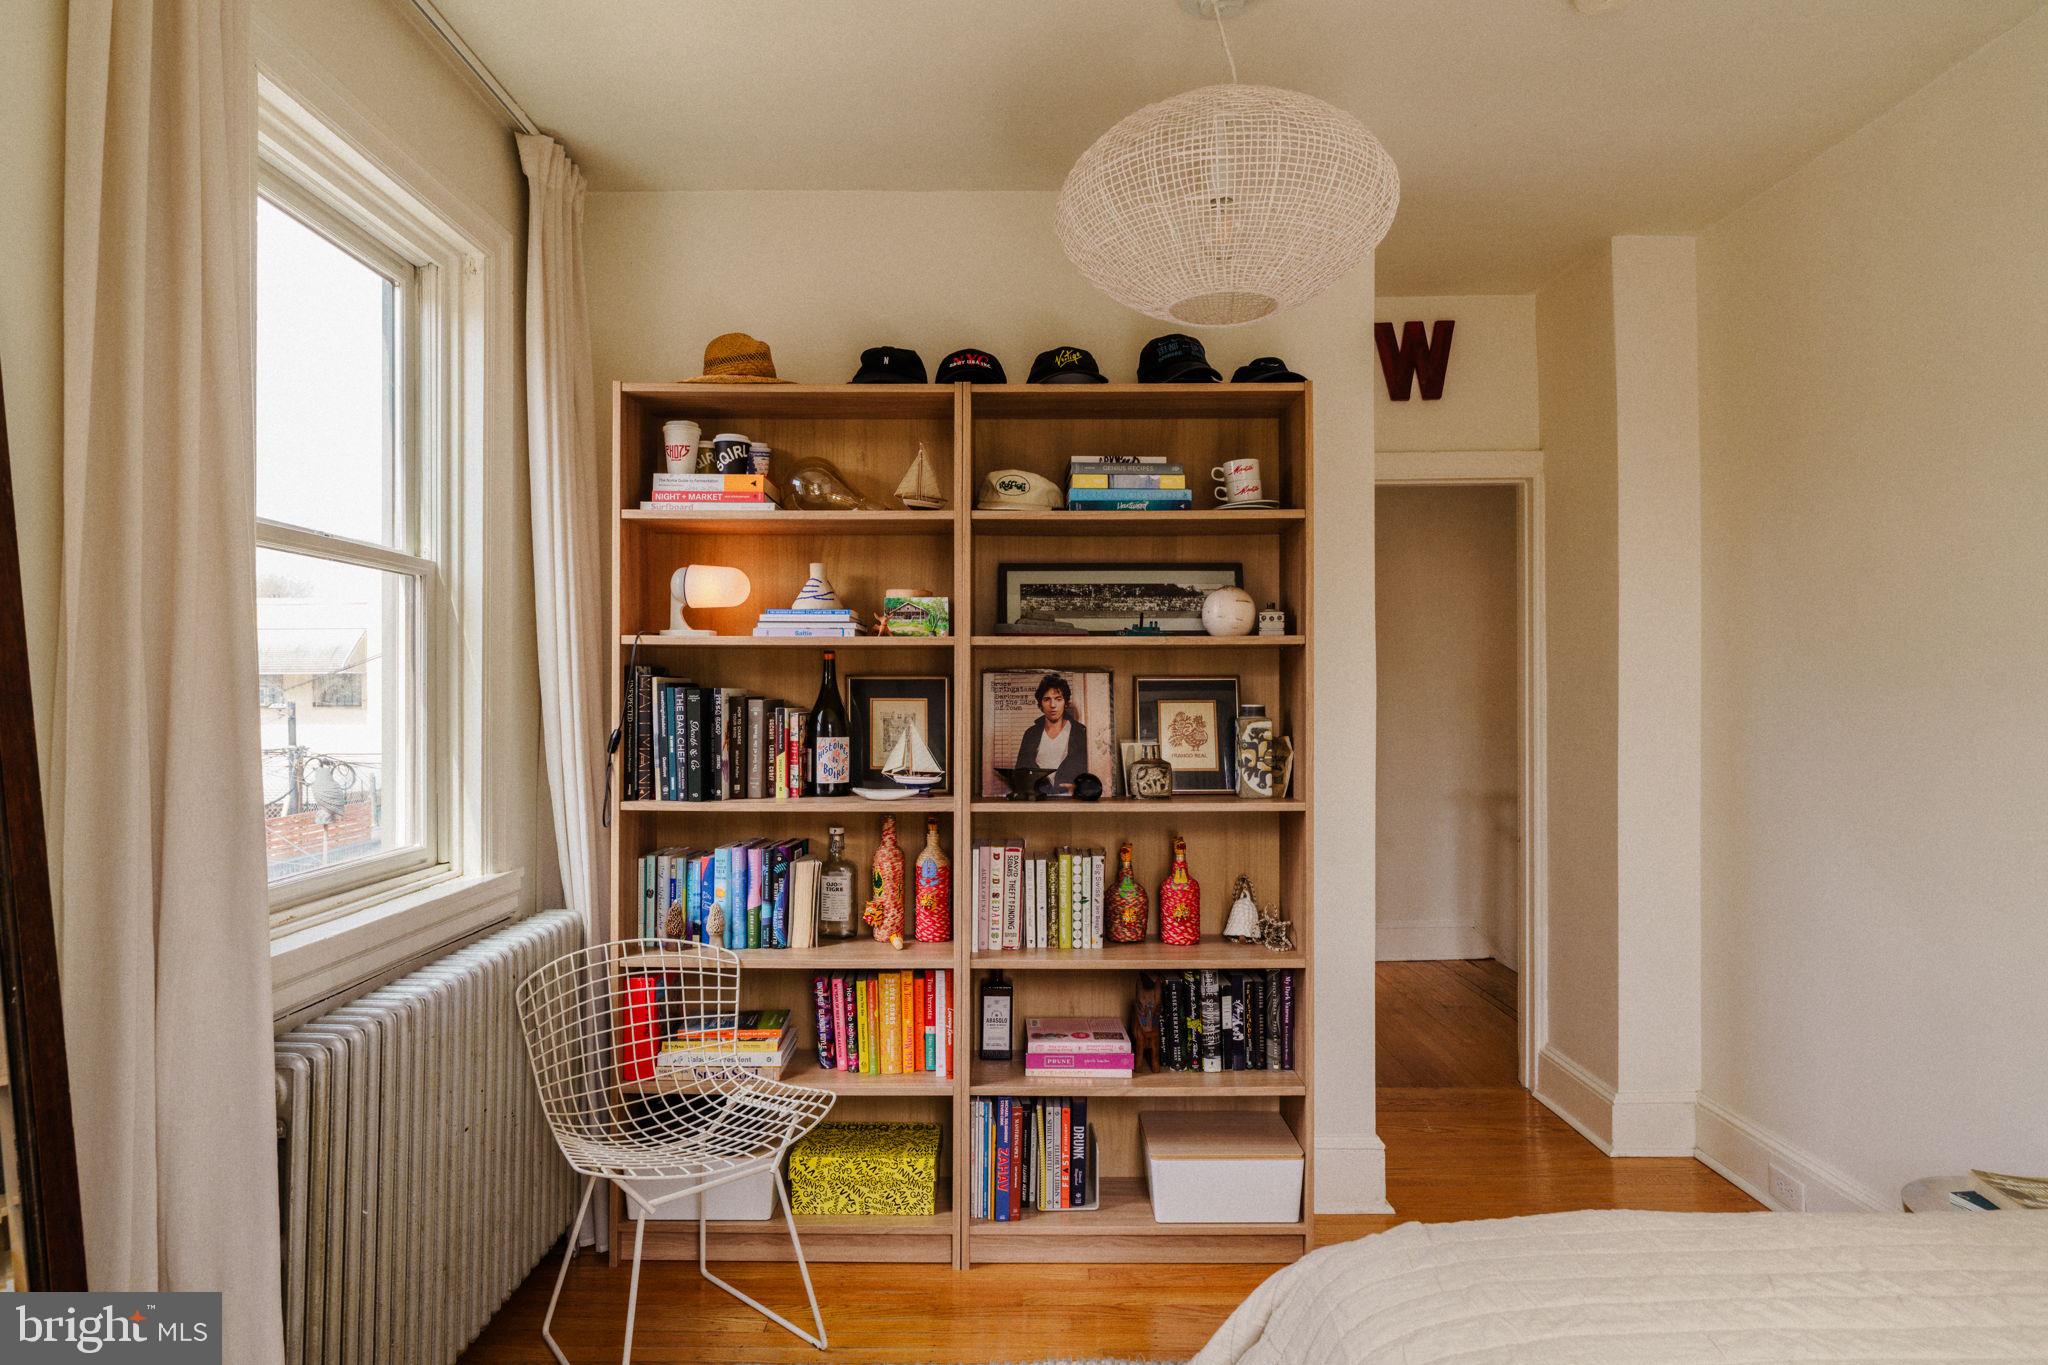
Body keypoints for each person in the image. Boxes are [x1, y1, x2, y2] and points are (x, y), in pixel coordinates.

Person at [1013, 673, 1091, 794]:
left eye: (1058, 699)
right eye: (1047, 699)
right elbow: (1020, 772)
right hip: (1037, 797)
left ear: (1065, 703)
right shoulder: (1030, 733)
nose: (1052, 705)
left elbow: (1087, 770)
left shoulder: (1080, 732)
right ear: (1040, 704)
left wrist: (1078, 788)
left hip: (1070, 798)